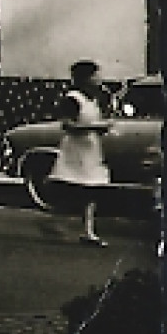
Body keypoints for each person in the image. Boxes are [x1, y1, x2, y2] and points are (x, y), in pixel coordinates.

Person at [49, 59, 113, 246]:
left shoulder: (95, 99)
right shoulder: (72, 99)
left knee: (92, 189)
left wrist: (103, 128)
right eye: (95, 75)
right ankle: (57, 221)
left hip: (91, 149)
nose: (99, 79)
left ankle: (88, 232)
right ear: (85, 78)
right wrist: (96, 126)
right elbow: (67, 125)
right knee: (75, 187)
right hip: (75, 151)